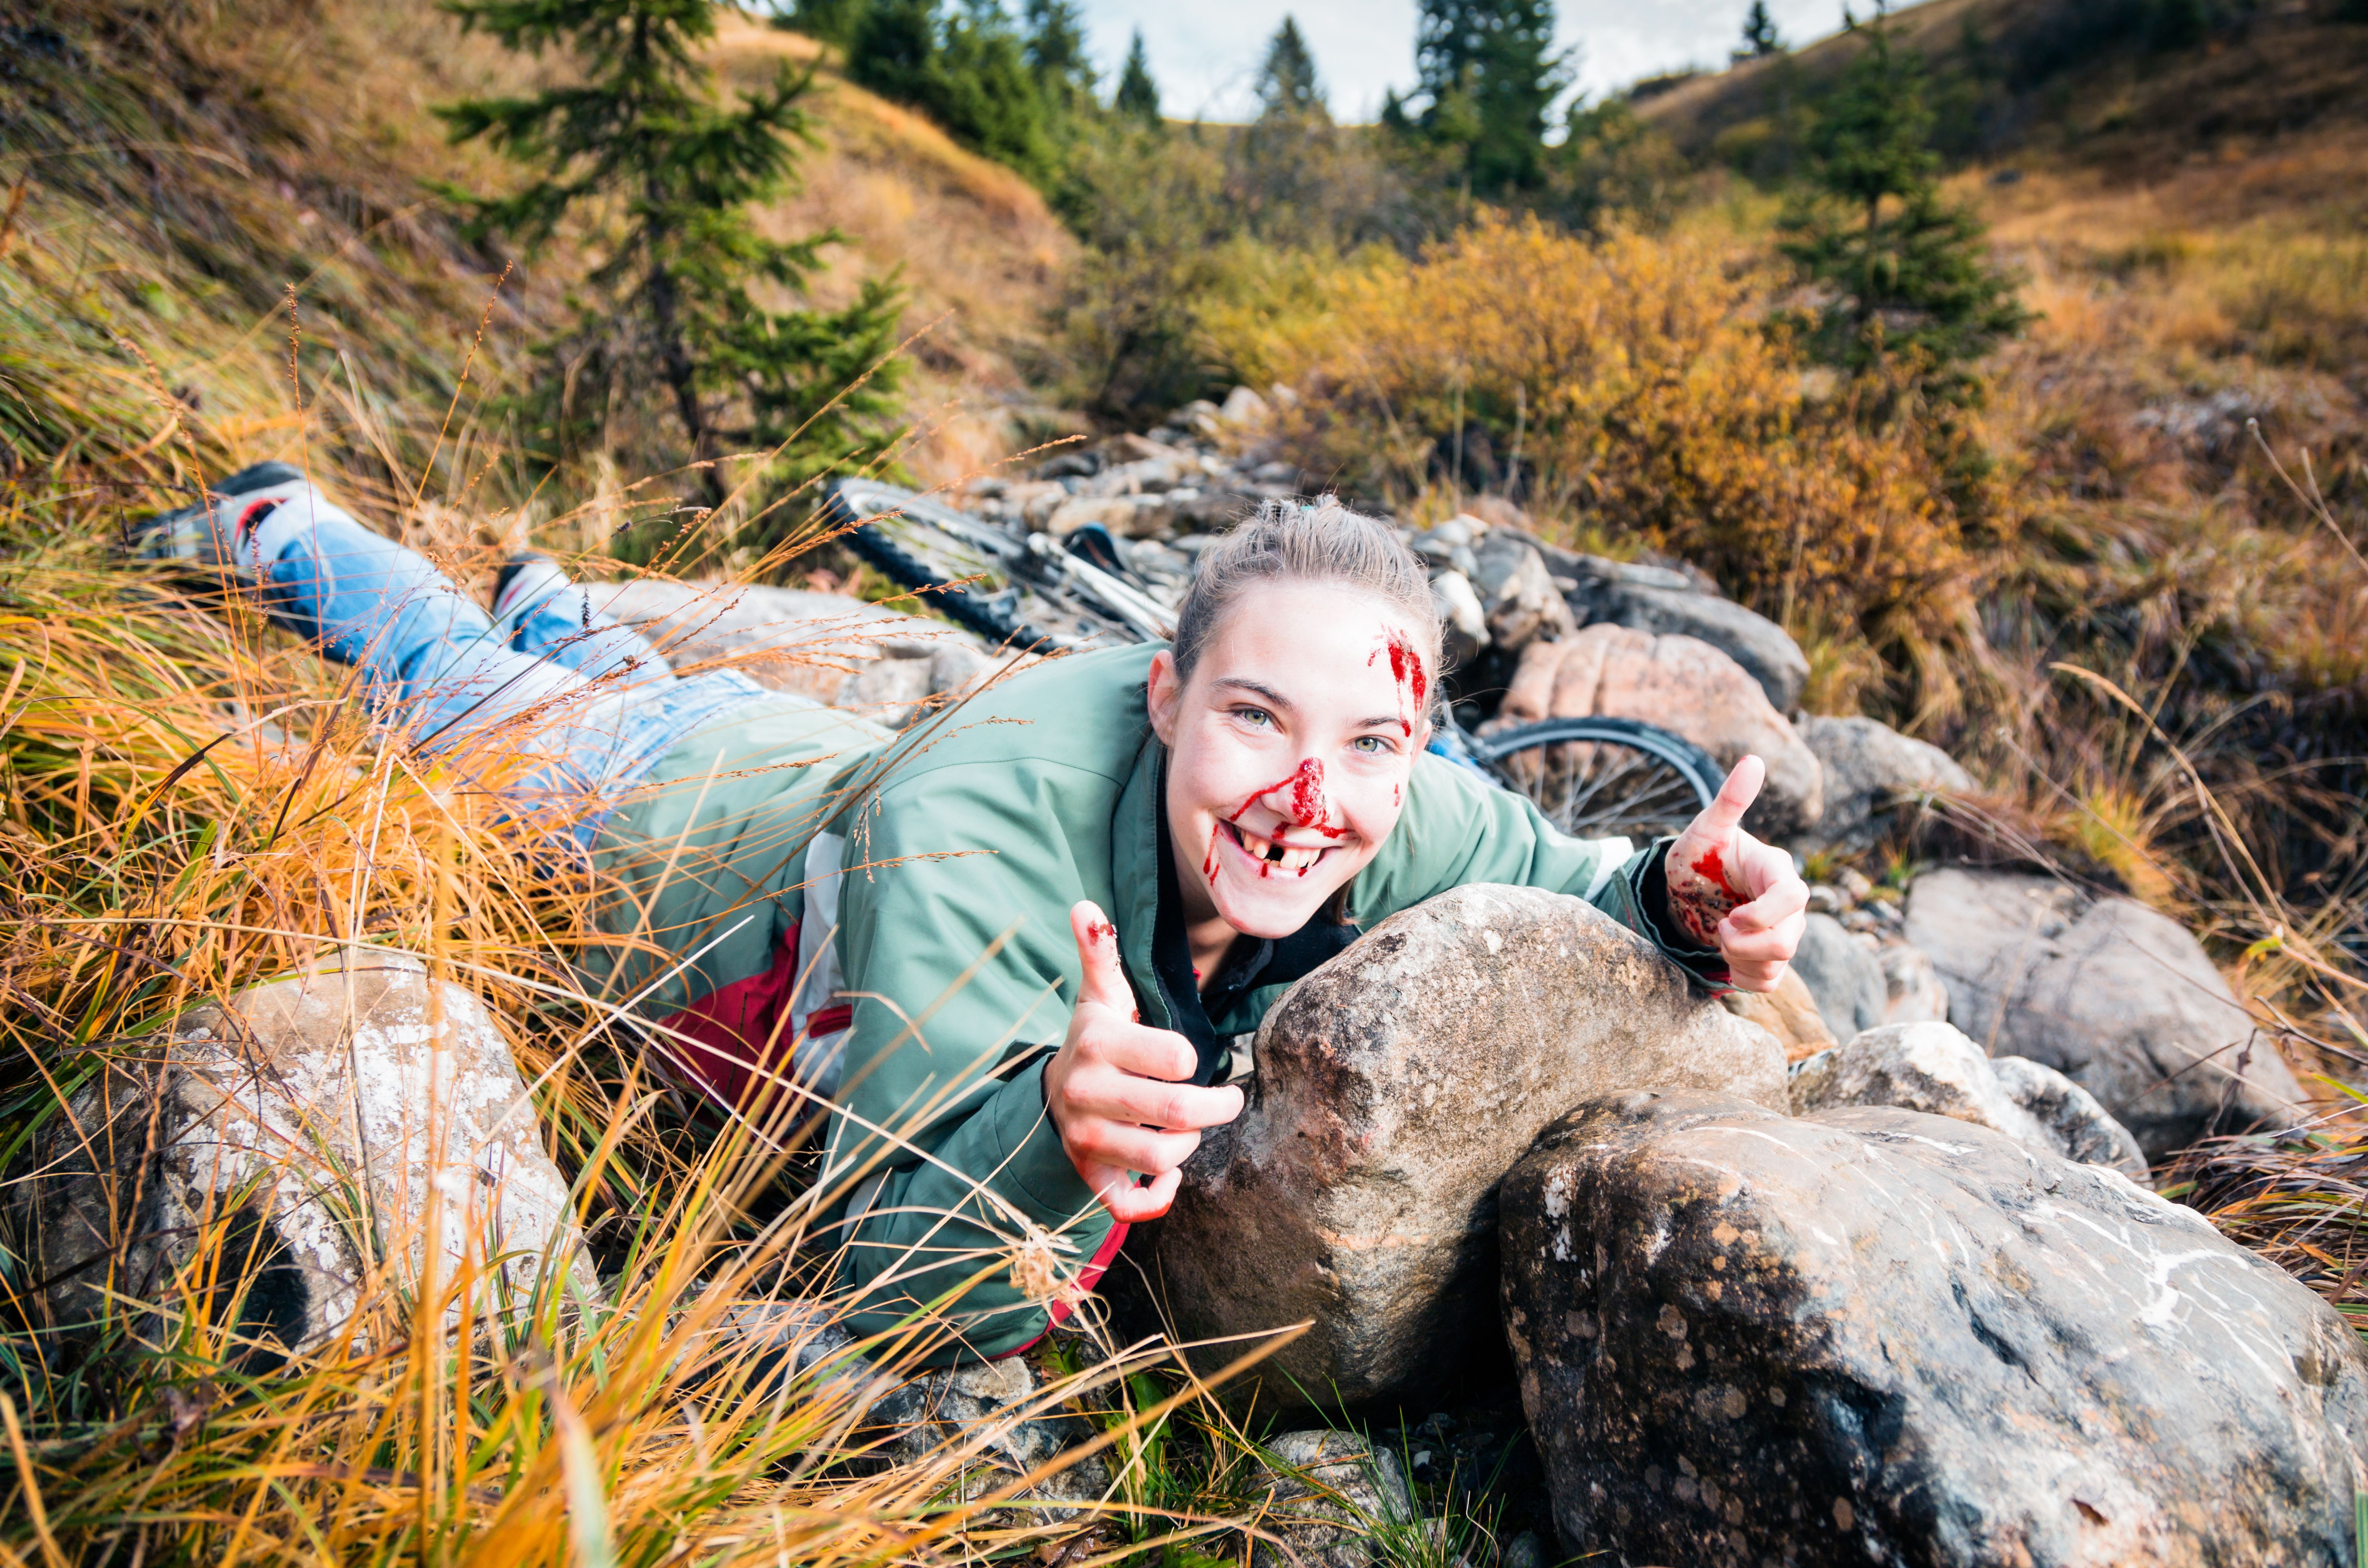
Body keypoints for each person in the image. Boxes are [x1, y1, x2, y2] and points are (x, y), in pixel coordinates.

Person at [132, 465, 1809, 1363]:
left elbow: (1557, 877)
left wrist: (1677, 897)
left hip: (800, 757)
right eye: (1254, 723)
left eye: (1369, 743)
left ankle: (570, 610)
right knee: (459, 692)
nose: (1314, 801)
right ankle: (295, 526)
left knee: (604, 670)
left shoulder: (1371, 797)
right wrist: (1055, 1133)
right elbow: (914, 1280)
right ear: (1165, 698)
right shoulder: (987, 820)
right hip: (647, 815)